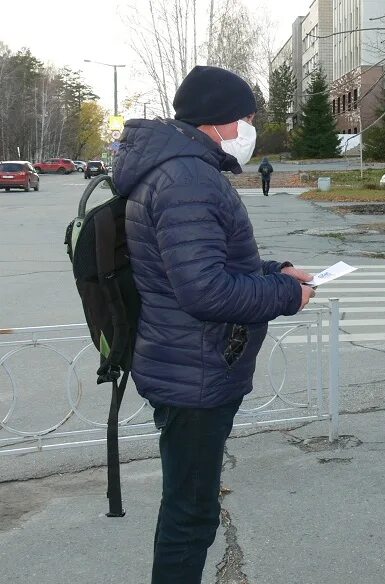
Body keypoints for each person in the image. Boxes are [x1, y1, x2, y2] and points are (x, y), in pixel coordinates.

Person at [112, 65, 315, 583]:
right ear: (220, 121)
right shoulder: (187, 178)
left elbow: (198, 265)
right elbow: (205, 290)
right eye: (247, 118)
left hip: (187, 361)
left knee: (190, 506)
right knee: (191, 515)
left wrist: (275, 272)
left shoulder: (179, 170)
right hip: (195, 371)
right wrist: (287, 294)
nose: (250, 130)